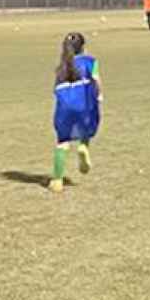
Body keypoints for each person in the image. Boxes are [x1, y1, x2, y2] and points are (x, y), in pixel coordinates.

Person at [49, 32, 100, 193]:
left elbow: (56, 89)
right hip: (84, 103)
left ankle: (57, 180)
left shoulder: (61, 66)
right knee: (86, 127)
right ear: (83, 47)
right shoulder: (90, 61)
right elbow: (96, 80)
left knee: (62, 142)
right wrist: (98, 95)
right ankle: (83, 146)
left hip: (65, 107)